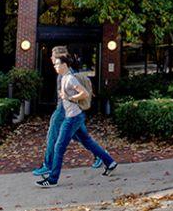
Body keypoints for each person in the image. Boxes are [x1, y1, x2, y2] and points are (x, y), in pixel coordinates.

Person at [35, 54, 117, 188]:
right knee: (87, 141)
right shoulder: (63, 78)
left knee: (59, 147)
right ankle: (110, 162)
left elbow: (84, 93)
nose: (55, 66)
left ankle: (53, 179)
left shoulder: (69, 79)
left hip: (72, 118)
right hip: (75, 116)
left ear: (64, 65)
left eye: (57, 64)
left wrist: (71, 98)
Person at [32, 47, 102, 176]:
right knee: (82, 137)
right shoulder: (63, 73)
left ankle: (48, 165)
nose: (52, 58)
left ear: (62, 57)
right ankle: (101, 156)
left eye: (54, 56)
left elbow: (79, 93)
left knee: (52, 135)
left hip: (64, 110)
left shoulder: (69, 74)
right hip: (71, 111)